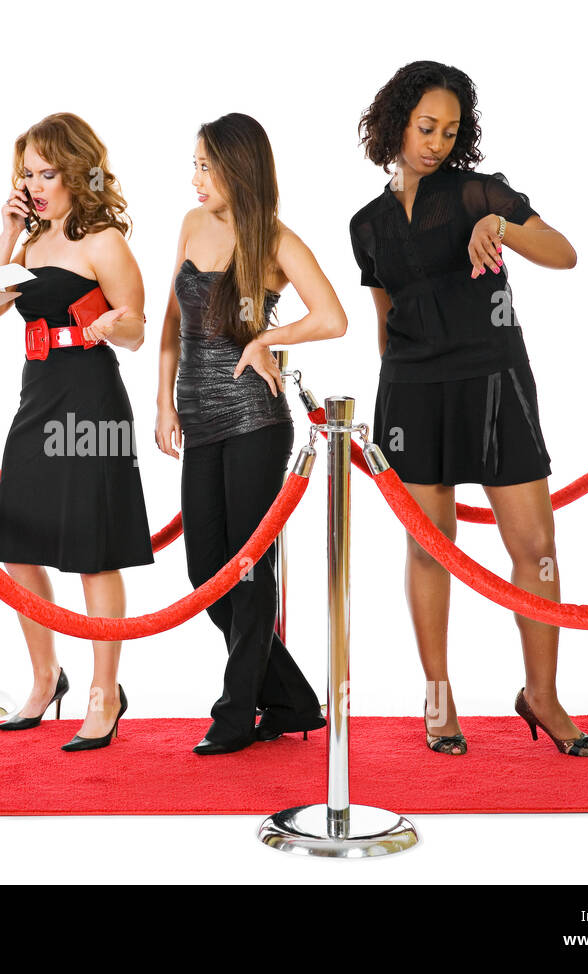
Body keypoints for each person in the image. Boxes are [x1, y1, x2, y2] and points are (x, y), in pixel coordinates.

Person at [349, 60, 588, 758]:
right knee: (431, 548)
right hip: (410, 389)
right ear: (395, 122)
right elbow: (385, 316)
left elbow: (565, 253)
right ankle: (438, 694)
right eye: (425, 126)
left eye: (449, 130)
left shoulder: (476, 192)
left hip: (494, 378)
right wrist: (387, 401)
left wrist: (502, 223)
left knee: (535, 548)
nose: (435, 140)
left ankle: (541, 695)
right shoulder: (365, 225)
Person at [155, 114, 348, 755]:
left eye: (207, 166)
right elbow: (170, 326)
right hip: (198, 420)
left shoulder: (274, 241)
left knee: (245, 569)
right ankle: (292, 697)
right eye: (196, 164)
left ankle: (236, 713)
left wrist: (268, 336)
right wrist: (163, 401)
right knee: (204, 571)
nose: (196, 178)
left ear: (239, 168)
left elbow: (332, 317)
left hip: (254, 421)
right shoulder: (190, 225)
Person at [0, 113, 152, 751]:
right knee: (20, 542)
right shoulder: (29, 244)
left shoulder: (102, 240)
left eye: (48, 173)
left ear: (78, 172)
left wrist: (114, 325)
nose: (37, 184)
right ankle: (45, 676)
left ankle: (105, 694)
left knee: (93, 549)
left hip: (91, 401)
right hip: (36, 397)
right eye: (27, 174)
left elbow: (136, 328)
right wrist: (6, 232)